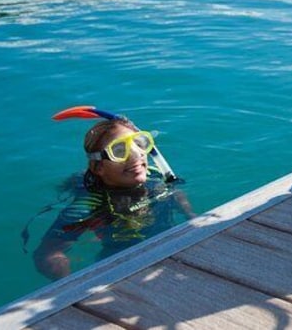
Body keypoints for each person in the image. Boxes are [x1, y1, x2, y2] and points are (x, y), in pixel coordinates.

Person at [33, 109, 194, 280]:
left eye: (139, 143)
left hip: (173, 248)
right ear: (98, 168)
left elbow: (175, 193)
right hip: (123, 268)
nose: (137, 154)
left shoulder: (154, 175)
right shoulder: (87, 206)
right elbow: (46, 254)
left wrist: (191, 216)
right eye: (119, 150)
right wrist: (69, 284)